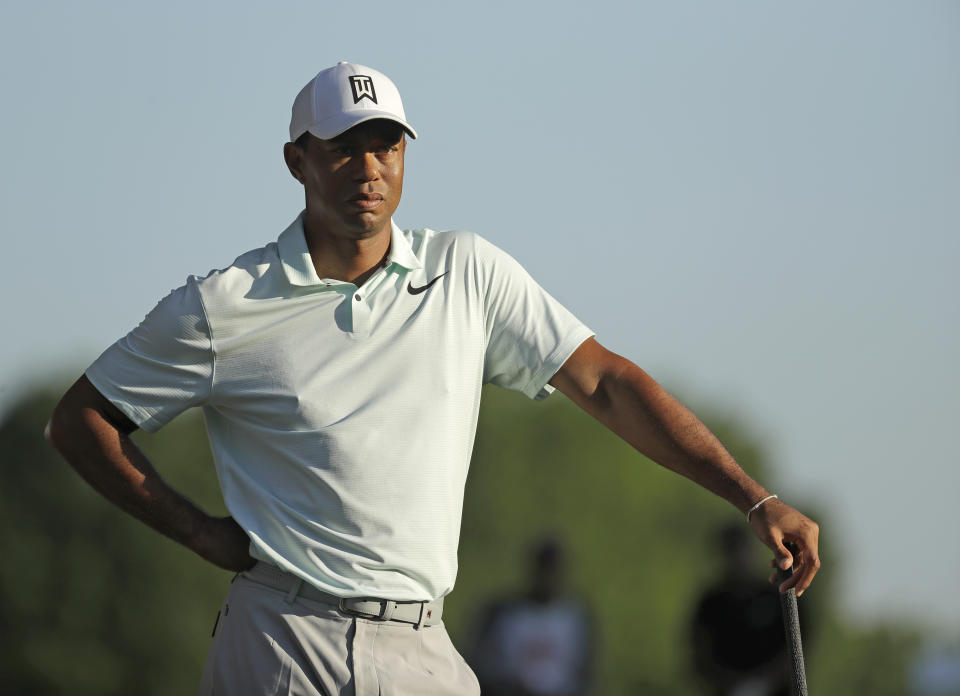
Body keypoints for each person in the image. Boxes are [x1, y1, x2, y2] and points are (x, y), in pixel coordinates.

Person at [46, 61, 821, 695]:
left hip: (423, 643)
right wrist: (198, 531)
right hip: (283, 636)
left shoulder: (468, 272)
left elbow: (608, 384)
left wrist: (751, 497)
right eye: (344, 146)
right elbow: (80, 420)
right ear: (298, 160)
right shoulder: (225, 304)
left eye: (387, 146)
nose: (370, 168)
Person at [468, 536, 595, 696]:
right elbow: (481, 663)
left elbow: (586, 674)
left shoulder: (576, 618)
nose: (548, 577)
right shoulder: (502, 613)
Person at [690, 523, 803, 696]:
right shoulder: (712, 603)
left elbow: (797, 649)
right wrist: (728, 681)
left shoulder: (780, 599)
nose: (738, 559)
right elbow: (699, 651)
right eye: (731, 551)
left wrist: (765, 680)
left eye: (741, 550)